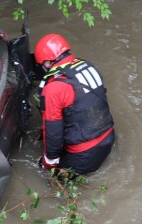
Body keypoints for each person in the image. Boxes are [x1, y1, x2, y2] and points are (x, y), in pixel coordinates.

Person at [34, 34, 115, 175]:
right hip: (109, 139)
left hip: (83, 156)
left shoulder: (53, 89)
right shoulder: (89, 66)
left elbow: (53, 133)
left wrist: (48, 163)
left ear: (47, 63)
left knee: (50, 176)